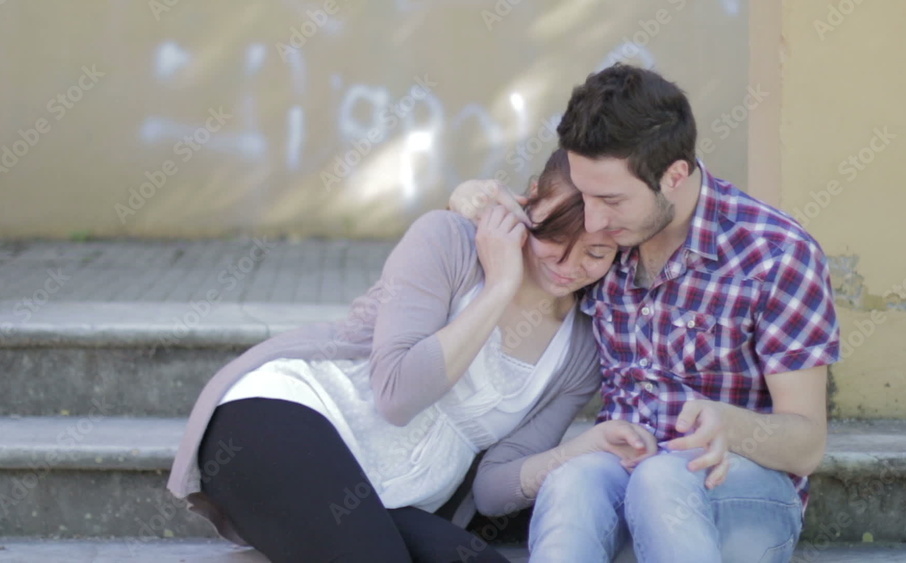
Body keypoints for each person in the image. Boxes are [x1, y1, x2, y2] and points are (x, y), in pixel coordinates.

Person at [167, 149, 656, 563]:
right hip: (287, 417)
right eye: (554, 239)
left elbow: (491, 490)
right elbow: (398, 396)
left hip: (392, 499)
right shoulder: (448, 240)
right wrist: (500, 286)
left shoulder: (578, 351)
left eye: (595, 254)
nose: (569, 266)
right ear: (532, 200)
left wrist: (582, 448)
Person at [450, 64, 841, 562]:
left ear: (673, 176)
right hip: (622, 477)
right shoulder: (598, 247)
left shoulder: (776, 254)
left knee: (663, 477)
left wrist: (730, 424)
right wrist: (467, 201)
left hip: (736, 493)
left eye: (610, 199)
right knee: (572, 480)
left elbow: (807, 444)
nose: (593, 219)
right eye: (584, 194)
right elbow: (525, 235)